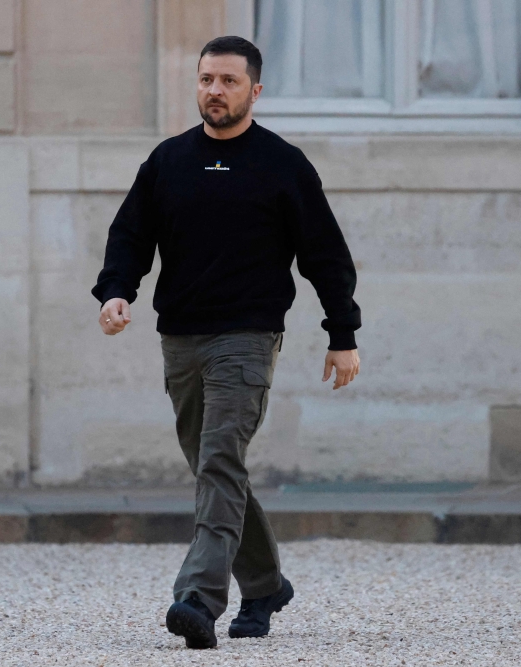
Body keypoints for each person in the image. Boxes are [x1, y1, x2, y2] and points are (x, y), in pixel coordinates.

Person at [91, 35, 362, 649]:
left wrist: (342, 333)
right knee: (216, 468)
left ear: (254, 91)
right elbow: (129, 236)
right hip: (179, 340)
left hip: (246, 337)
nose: (215, 90)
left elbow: (325, 256)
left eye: (229, 81)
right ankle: (265, 585)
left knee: (218, 462)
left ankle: (199, 598)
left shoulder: (283, 165)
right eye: (207, 79)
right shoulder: (168, 160)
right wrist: (116, 292)